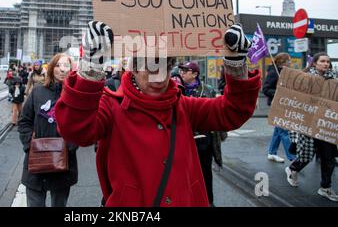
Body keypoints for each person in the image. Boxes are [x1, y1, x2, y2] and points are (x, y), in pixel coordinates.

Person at [55, 21, 259, 207]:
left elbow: (232, 111)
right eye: (151, 68)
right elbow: (75, 131)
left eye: (167, 67)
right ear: (132, 67)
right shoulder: (112, 105)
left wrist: (236, 62)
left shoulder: (183, 106)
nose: (160, 78)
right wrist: (91, 66)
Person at [18, 53, 78, 207]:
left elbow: (81, 125)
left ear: (72, 69)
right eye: (58, 65)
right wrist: (29, 145)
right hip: (36, 159)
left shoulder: (76, 95)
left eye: (66, 66)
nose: (62, 70)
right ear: (52, 69)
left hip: (63, 161)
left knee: (59, 203)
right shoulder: (38, 92)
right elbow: (24, 121)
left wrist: (70, 146)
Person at [285, 52, 338, 202]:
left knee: (329, 157)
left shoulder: (334, 80)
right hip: (308, 123)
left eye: (328, 61)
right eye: (322, 61)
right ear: (314, 63)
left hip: (326, 124)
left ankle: (325, 187)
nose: (326, 64)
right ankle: (293, 169)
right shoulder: (305, 78)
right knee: (307, 154)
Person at [178, 61, 224, 206]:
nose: (182, 73)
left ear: (195, 74)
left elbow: (217, 112)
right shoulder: (176, 88)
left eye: (186, 71)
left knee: (205, 174)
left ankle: (208, 202)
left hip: (204, 140)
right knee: (183, 174)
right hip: (183, 139)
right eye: (181, 70)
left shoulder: (208, 89)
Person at [263, 52, 295, 163]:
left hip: (284, 104)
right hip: (276, 105)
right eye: (289, 60)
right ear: (283, 62)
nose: (291, 62)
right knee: (284, 131)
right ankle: (292, 158)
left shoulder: (286, 73)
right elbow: (266, 89)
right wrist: (278, 93)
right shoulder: (273, 72)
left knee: (278, 131)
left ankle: (272, 153)